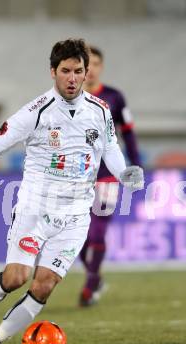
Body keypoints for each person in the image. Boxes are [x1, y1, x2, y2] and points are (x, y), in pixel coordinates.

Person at [0, 39, 144, 344]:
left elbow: (110, 148)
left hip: (77, 215)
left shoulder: (100, 111)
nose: (72, 77)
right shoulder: (36, 112)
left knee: (44, 286)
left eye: (78, 71)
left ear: (85, 73)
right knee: (15, 278)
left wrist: (124, 173)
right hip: (35, 209)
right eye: (65, 70)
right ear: (53, 72)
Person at [78, 46, 141, 307]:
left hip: (107, 175)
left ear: (101, 67)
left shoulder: (115, 97)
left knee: (98, 233)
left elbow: (128, 132)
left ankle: (91, 283)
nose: (90, 69)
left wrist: (135, 164)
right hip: (77, 177)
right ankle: (96, 277)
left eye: (95, 64)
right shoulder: (71, 98)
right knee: (77, 234)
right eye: (86, 64)